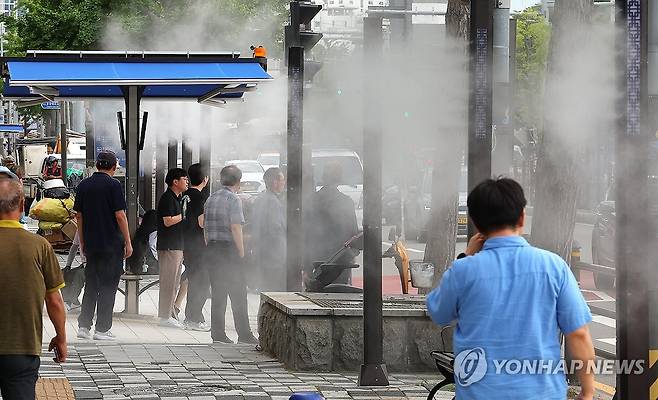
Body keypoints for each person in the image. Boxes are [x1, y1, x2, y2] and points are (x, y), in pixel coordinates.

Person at [427, 178, 595, 400]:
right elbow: (579, 333)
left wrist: (466, 256)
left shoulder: (464, 271)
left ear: (477, 225)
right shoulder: (554, 267)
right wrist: (588, 391)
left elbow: (438, 312)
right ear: (522, 217)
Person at [0, 170, 67, 399]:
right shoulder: (39, 246)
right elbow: (55, 301)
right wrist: (61, 336)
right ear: (22, 205)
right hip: (22, 347)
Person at [74, 150, 133, 341]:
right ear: (114, 167)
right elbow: (120, 215)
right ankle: (102, 329)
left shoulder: (84, 185)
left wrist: (82, 241)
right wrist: (128, 242)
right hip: (111, 245)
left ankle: (84, 326)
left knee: (91, 285)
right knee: (108, 286)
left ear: (97, 165)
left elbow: (79, 216)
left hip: (91, 244)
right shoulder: (114, 185)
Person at [204, 165, 258, 344]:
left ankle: (217, 334)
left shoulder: (210, 199)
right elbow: (236, 226)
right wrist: (241, 252)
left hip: (212, 249)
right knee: (238, 292)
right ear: (238, 181)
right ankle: (244, 334)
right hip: (228, 250)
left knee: (218, 293)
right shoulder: (233, 200)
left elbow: (205, 226)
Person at [307, 162, 358, 283]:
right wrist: (352, 255)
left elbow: (305, 234)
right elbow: (354, 233)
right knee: (339, 294)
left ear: (324, 178)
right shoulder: (346, 202)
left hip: (316, 259)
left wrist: (306, 266)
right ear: (339, 180)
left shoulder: (312, 200)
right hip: (341, 259)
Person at [157, 168, 189, 328]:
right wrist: (183, 215)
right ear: (175, 182)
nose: (187, 182)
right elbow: (167, 221)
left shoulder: (179, 198)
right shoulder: (167, 198)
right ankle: (164, 316)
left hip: (177, 245)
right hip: (169, 246)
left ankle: (169, 313)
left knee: (175, 281)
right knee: (168, 281)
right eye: (184, 179)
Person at [182, 163, 211, 331]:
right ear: (205, 179)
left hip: (186, 243)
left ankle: (190, 317)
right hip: (198, 245)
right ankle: (194, 318)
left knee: (193, 281)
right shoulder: (199, 197)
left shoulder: (185, 195)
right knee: (202, 282)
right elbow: (201, 222)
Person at [251, 167, 286, 291]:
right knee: (275, 290)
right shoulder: (273, 202)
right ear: (275, 182)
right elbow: (275, 229)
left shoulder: (260, 199)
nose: (284, 182)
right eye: (282, 179)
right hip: (273, 256)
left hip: (263, 253)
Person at [62, 231, 86, 311]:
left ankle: (71, 300)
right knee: (64, 274)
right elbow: (74, 247)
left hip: (97, 266)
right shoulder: (79, 229)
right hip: (85, 265)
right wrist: (68, 265)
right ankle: (71, 301)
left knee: (79, 275)